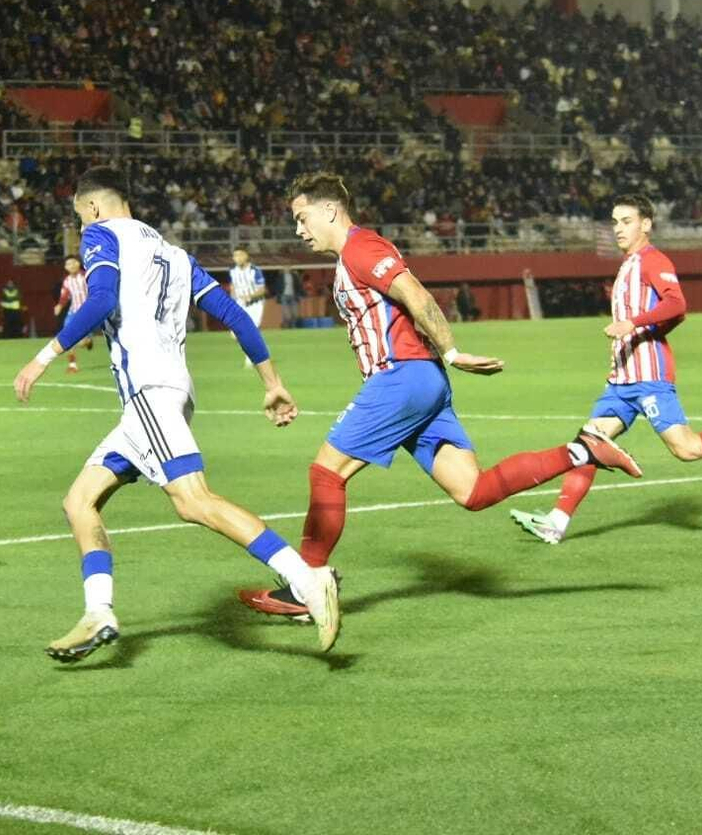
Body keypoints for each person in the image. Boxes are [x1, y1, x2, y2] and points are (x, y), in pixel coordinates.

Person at [238, 174, 641, 620]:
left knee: (326, 472)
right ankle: (583, 449)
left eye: (302, 217)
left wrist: (451, 349)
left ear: (329, 209)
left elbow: (414, 294)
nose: (298, 229)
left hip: (402, 377)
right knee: (473, 490)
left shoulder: (360, 249)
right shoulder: (353, 255)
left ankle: (307, 587)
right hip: (421, 382)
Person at [13, 166, 340, 662]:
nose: (83, 231)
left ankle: (307, 580)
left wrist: (43, 357)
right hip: (169, 394)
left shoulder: (103, 236)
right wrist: (272, 382)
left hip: (149, 393)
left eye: (81, 218)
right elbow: (232, 315)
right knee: (80, 501)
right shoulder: (175, 255)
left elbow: (100, 300)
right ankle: (98, 611)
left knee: (193, 501)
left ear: (94, 208)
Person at [509, 195, 702, 546]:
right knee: (588, 443)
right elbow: (674, 315)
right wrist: (639, 333)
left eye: (626, 221)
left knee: (687, 449)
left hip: (649, 376)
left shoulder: (653, 260)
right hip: (621, 380)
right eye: (615, 221)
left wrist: (634, 326)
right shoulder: (627, 265)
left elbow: (677, 303)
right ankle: (556, 523)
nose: (618, 228)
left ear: (646, 224)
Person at [52, 255, 93, 374]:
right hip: (73, 312)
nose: (71, 265)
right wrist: (59, 305)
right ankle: (72, 365)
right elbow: (65, 296)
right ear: (65, 267)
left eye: (73, 263)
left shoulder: (86, 276)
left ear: (78, 263)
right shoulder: (67, 281)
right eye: (68, 264)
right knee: (68, 338)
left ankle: (88, 341)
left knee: (81, 342)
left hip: (87, 314)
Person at [228, 246, 267, 367]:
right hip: (240, 305)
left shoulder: (255, 270)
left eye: (240, 255)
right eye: (235, 256)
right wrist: (233, 298)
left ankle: (251, 358)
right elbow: (233, 286)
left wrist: (250, 296)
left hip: (255, 305)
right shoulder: (233, 271)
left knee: (250, 330)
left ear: (246, 256)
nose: (237, 258)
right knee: (234, 334)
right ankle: (253, 352)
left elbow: (262, 289)